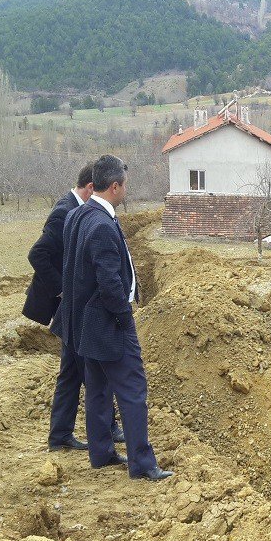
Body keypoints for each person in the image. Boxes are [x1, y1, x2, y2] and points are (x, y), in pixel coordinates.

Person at [53, 155, 172, 481]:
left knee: (98, 390)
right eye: (125, 186)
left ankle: (102, 454)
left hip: (84, 323)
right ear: (115, 186)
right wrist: (124, 317)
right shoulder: (103, 225)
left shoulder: (78, 215)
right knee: (132, 390)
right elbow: (109, 283)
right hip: (107, 323)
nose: (126, 191)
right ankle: (143, 465)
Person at [24, 163, 123, 451]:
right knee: (93, 369)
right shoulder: (64, 211)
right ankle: (107, 429)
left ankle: (60, 435)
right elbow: (38, 254)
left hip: (74, 309)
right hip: (74, 308)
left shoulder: (76, 209)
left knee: (71, 372)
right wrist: (63, 290)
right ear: (91, 187)